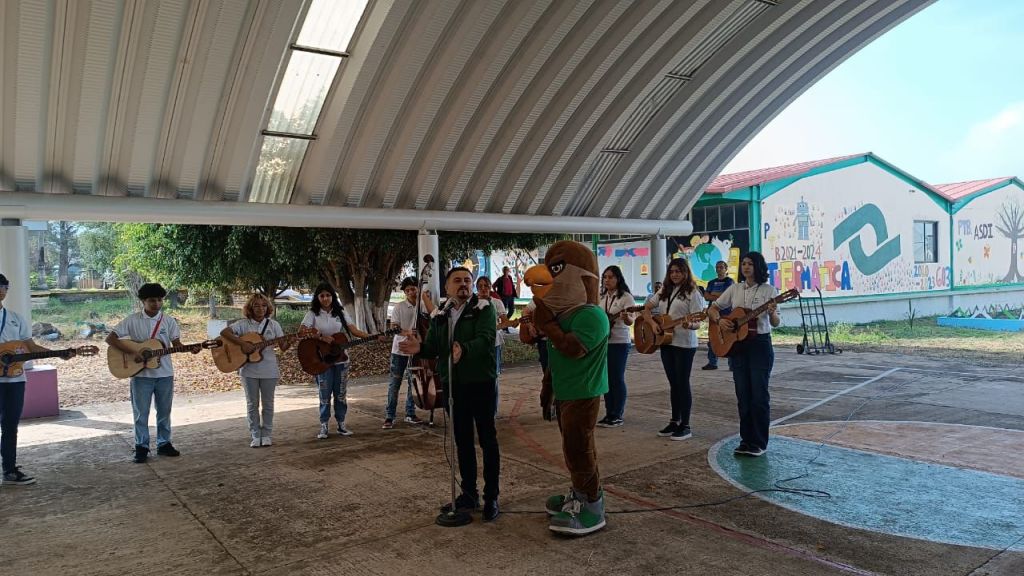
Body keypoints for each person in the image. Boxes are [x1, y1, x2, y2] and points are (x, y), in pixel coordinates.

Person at [400, 267, 500, 522]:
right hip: (454, 386)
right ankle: (469, 494)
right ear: (447, 287)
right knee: (463, 441)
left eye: (467, 280)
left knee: (487, 440)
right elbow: (434, 347)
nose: (464, 284)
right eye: (457, 281)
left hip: (481, 382)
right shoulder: (441, 314)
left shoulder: (484, 308)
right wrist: (419, 347)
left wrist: (463, 349)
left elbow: (486, 339)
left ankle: (491, 497)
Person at [106, 283, 198, 463]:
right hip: (140, 375)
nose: (156, 304)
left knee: (164, 411)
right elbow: (110, 338)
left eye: (159, 300)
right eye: (151, 301)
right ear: (143, 301)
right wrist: (134, 352)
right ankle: (141, 446)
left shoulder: (168, 321)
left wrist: (190, 348)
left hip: (165, 374)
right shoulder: (132, 320)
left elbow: (176, 344)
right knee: (141, 413)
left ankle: (164, 444)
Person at [707, 252, 780, 457]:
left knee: (759, 396)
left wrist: (772, 312)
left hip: (760, 345)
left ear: (758, 267)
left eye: (750, 264)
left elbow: (775, 323)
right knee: (743, 395)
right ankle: (746, 440)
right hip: (738, 346)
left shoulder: (769, 290)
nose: (746, 267)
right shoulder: (735, 288)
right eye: (744, 264)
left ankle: (759, 442)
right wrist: (720, 320)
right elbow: (713, 309)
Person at [643, 259, 704, 441]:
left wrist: (689, 324)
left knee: (682, 383)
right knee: (673, 383)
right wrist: (652, 323)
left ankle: (685, 425)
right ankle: (674, 420)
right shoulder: (664, 290)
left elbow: (698, 322)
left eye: (678, 271)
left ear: (685, 273)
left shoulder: (693, 293)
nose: (675, 274)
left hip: (684, 344)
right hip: (666, 341)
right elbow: (647, 308)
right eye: (672, 271)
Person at [1, 272, 53, 484]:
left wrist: (58, 353)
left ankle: (10, 469)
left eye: (4, 287)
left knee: (10, 426)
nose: (1, 291)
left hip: (15, 380)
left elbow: (31, 347)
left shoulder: (16, 318)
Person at [302, 283, 372, 439]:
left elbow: (354, 331)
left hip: (340, 359)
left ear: (333, 296)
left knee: (340, 394)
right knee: (324, 394)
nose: (325, 298)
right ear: (317, 298)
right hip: (321, 360)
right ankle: (324, 426)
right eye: (322, 295)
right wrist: (321, 337)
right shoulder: (312, 314)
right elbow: (302, 331)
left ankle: (341, 424)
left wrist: (373, 336)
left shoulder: (340, 312)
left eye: (328, 295)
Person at [220, 293, 290, 447]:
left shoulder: (274, 325)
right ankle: (255, 434)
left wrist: (292, 340)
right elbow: (224, 333)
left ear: (268, 308)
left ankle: (267, 434)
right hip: (248, 370)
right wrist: (243, 344)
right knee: (252, 404)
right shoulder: (243, 324)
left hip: (269, 370)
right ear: (250, 308)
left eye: (264, 305)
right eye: (256, 305)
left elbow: (283, 347)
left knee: (268, 404)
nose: (260, 309)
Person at [382, 277, 425, 429]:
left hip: (416, 350)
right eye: (408, 290)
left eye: (413, 289)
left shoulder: (423, 306)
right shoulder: (399, 307)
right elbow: (394, 328)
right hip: (399, 350)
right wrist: (408, 332)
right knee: (395, 383)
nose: (411, 292)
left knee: (413, 383)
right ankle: (390, 416)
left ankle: (410, 413)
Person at [597, 266, 636, 428]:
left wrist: (626, 317)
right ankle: (609, 412)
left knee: (617, 378)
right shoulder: (602, 297)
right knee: (606, 378)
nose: (607, 280)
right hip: (603, 342)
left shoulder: (626, 297)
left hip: (619, 342)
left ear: (618, 279)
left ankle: (617, 414)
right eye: (605, 277)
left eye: (611, 277)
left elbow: (631, 321)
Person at [476, 276, 507, 417]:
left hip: (494, 344)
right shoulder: (472, 302)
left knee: (493, 377)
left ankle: (492, 410)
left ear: (490, 287)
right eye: (480, 286)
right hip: (476, 345)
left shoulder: (497, 302)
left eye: (486, 286)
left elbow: (505, 322)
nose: (483, 289)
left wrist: (494, 328)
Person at [701, 261, 735, 371]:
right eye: (717, 267)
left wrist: (714, 294)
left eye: (721, 267)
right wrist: (719, 296)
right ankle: (712, 362)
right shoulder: (711, 282)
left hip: (727, 313)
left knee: (729, 338)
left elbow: (727, 295)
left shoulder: (729, 281)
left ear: (726, 268)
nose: (719, 269)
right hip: (713, 313)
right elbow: (706, 296)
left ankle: (732, 364)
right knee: (713, 337)